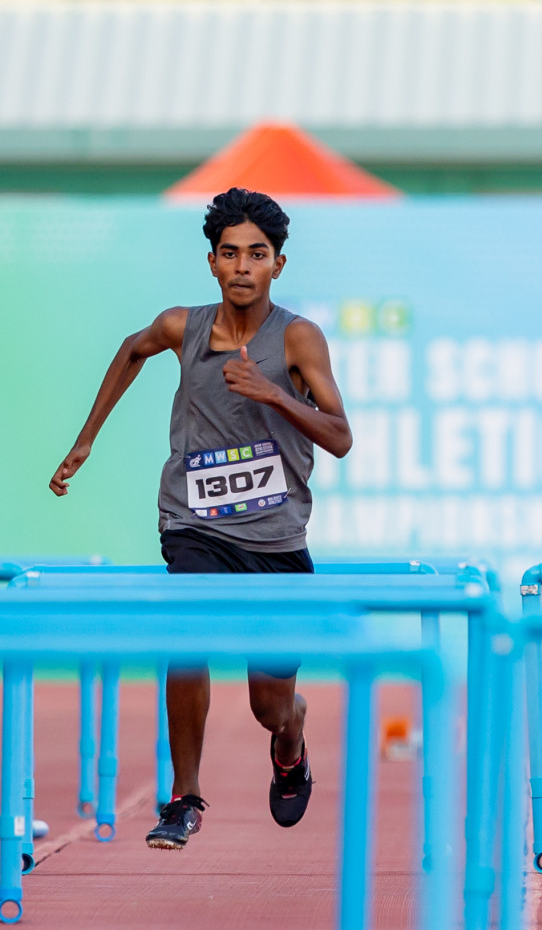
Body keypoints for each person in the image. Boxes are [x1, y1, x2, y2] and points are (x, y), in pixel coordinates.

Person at [49, 188, 353, 849]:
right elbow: (132, 349)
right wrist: (86, 438)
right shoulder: (180, 326)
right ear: (212, 262)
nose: (242, 266)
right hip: (195, 524)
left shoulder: (297, 337)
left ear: (278, 263)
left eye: (257, 254)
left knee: (268, 705)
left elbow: (340, 435)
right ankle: (183, 798)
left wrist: (274, 392)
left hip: (274, 540)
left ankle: (291, 741)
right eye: (229, 254)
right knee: (185, 635)